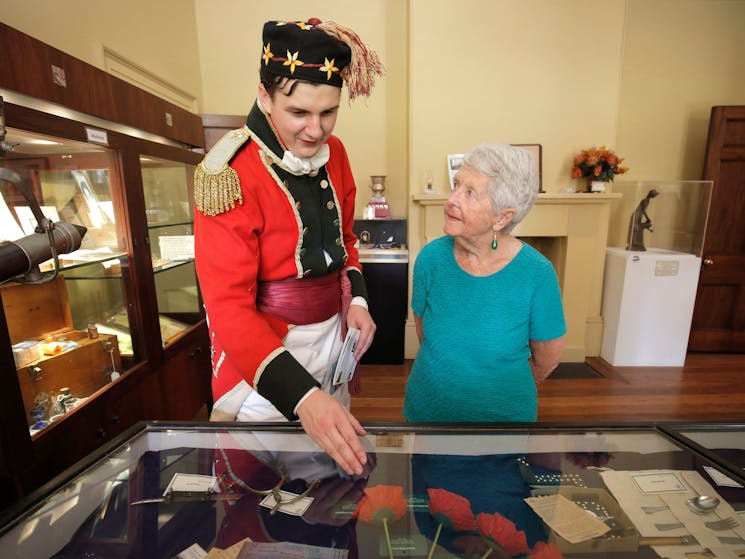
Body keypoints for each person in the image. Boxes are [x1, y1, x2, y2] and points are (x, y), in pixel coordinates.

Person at [194, 18, 383, 475]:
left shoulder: (335, 154)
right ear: (265, 96)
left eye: (328, 112)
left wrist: (357, 299)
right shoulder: (228, 174)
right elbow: (228, 309)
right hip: (264, 360)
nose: (316, 130)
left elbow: (347, 244)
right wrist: (302, 398)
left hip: (333, 346)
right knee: (265, 501)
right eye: (299, 112)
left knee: (329, 492)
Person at [404, 143, 566, 423]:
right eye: (456, 185)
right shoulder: (430, 258)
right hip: (428, 414)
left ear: (502, 218)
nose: (452, 200)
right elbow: (425, 334)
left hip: (503, 424)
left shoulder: (537, 273)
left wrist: (495, 391)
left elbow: (547, 359)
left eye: (470, 193)